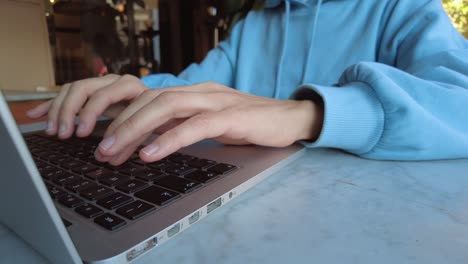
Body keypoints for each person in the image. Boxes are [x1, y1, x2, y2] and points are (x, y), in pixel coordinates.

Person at [27, 0, 468, 165]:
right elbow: (192, 88)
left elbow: (460, 102)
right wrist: (131, 91)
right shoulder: (255, 23)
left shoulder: (403, 8)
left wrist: (309, 114)